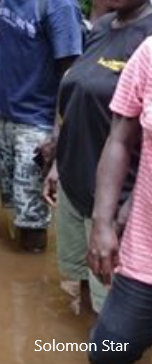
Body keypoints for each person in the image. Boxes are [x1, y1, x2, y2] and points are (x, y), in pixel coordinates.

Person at [43, 0, 152, 313]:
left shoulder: (148, 41)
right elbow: (76, 97)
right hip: (75, 182)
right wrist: (57, 162)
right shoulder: (104, 25)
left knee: (116, 310)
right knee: (83, 286)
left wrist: (127, 210)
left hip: (116, 198)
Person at [0, 0, 83, 252]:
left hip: (37, 124)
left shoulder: (57, 2)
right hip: (4, 116)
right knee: (15, 203)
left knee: (33, 217)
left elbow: (71, 75)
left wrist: (58, 137)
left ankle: (27, 285)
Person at [87, 33, 152, 363]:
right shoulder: (150, 54)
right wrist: (102, 223)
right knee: (108, 352)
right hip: (145, 255)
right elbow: (119, 141)